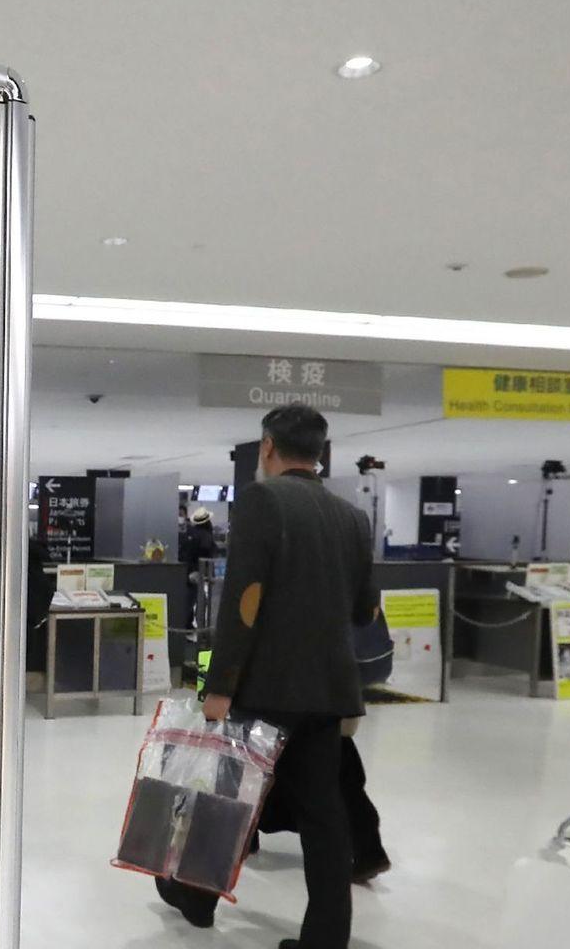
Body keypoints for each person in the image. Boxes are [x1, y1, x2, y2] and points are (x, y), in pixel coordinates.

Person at [154, 404, 376, 949]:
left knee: (231, 796)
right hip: (328, 690)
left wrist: (220, 686)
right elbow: (366, 611)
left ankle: (197, 899)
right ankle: (326, 938)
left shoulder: (262, 501)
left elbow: (244, 602)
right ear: (320, 453)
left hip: (266, 687)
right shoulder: (353, 517)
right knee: (324, 814)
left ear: (268, 447)